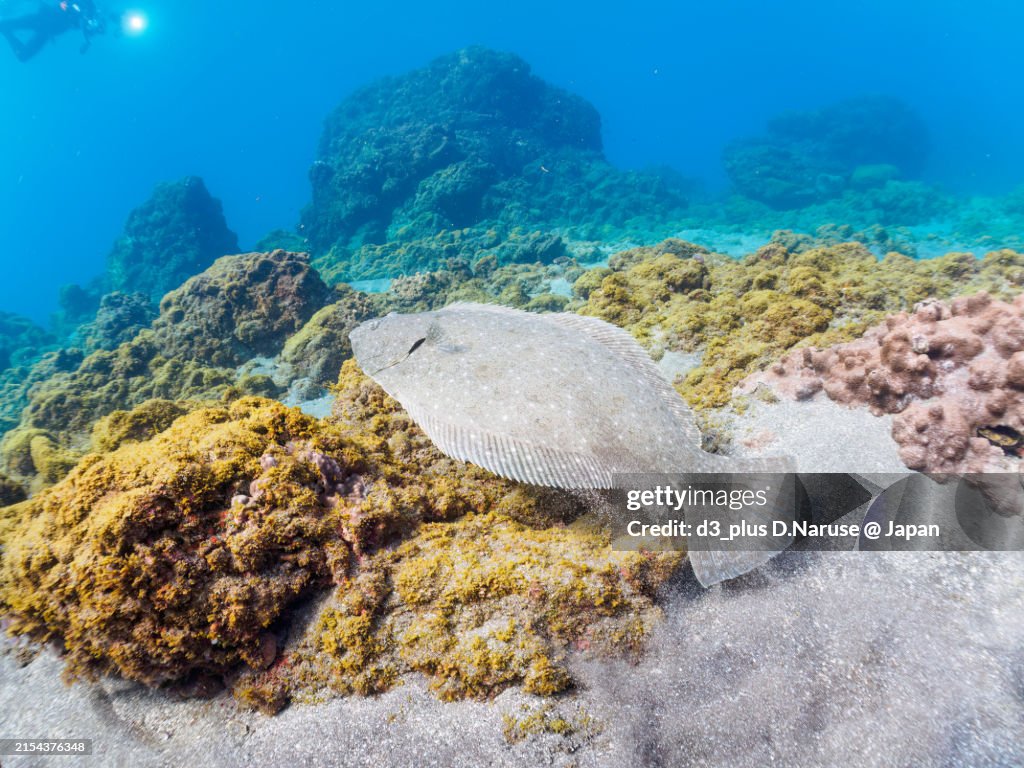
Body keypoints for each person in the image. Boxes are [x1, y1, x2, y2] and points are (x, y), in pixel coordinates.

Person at [0, 0, 105, 62]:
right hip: (44, 18)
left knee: (23, 56)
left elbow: (86, 29)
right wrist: (64, 5)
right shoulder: (86, 5)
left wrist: (87, 41)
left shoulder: (91, 12)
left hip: (48, 30)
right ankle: (6, 29)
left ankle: (7, 32)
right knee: (4, 24)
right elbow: (63, 4)